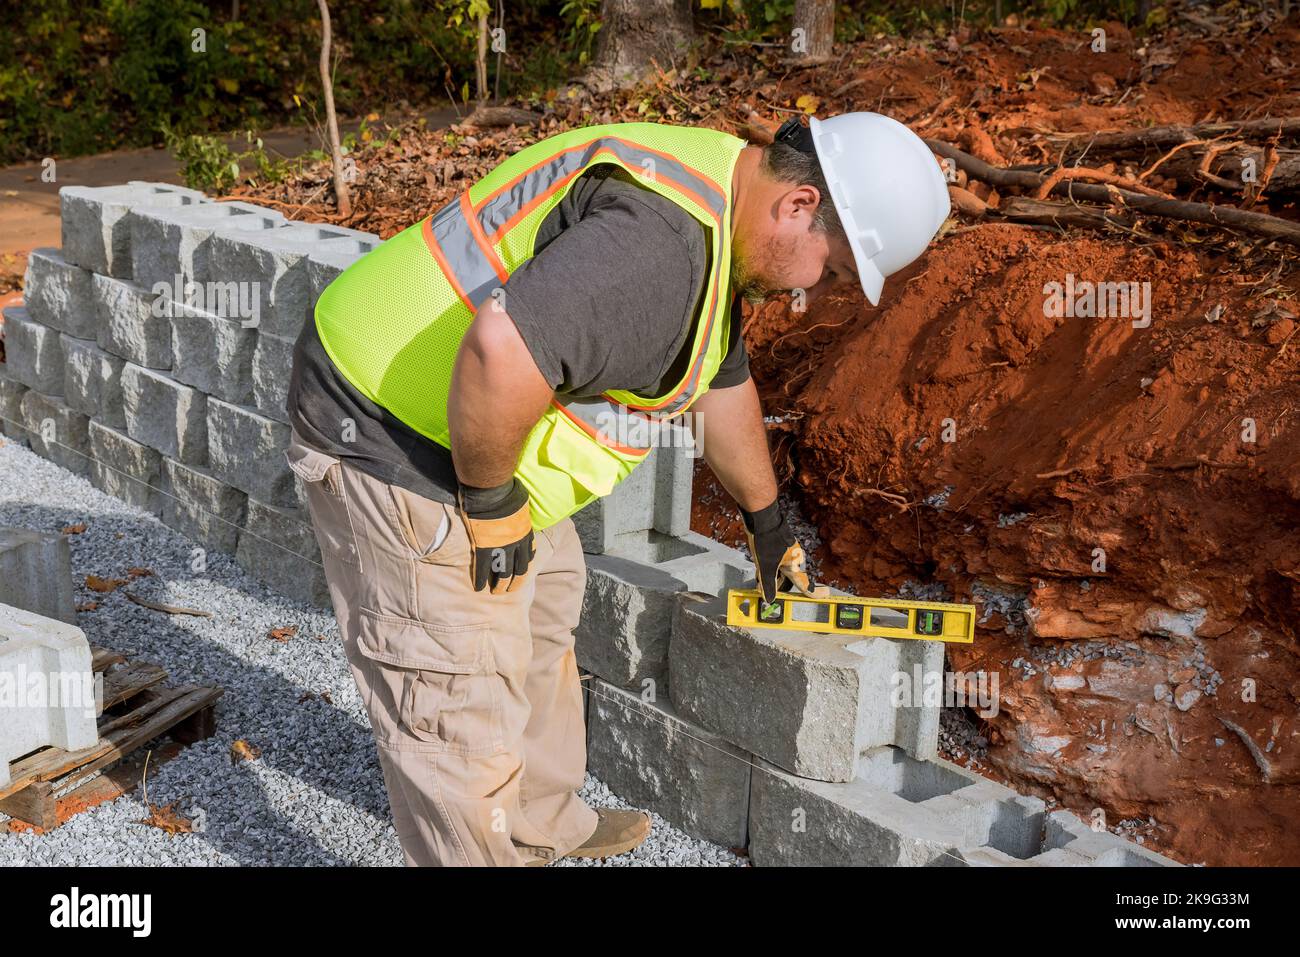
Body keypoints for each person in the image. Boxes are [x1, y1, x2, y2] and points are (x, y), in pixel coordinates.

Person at [285, 112, 950, 866]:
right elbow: (500, 352)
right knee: (454, 695)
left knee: (544, 608)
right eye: (829, 270)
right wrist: (494, 507)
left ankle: (540, 820)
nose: (815, 291)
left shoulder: (721, 198)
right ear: (798, 205)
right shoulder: (659, 253)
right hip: (394, 431)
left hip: (474, 437)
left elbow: (718, 383)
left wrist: (768, 527)